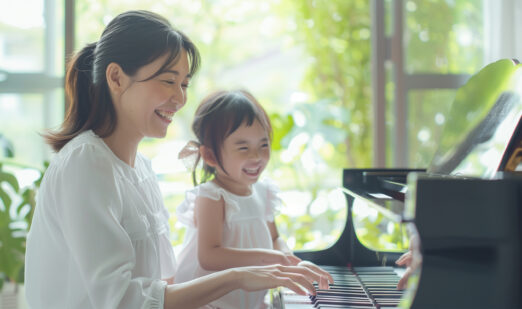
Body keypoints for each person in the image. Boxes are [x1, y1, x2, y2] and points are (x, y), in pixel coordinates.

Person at [24, 10, 331, 309]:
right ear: (116, 78)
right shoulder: (86, 163)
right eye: (169, 81)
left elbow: (163, 285)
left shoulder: (141, 168)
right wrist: (238, 277)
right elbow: (121, 301)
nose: (181, 98)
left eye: (184, 84)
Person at [174, 90, 333, 308]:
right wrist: (272, 258)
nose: (256, 157)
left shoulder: (263, 191)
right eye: (243, 148)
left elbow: (275, 238)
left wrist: (286, 255)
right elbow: (209, 256)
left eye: (263, 145)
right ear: (210, 156)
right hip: (210, 302)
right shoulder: (212, 195)